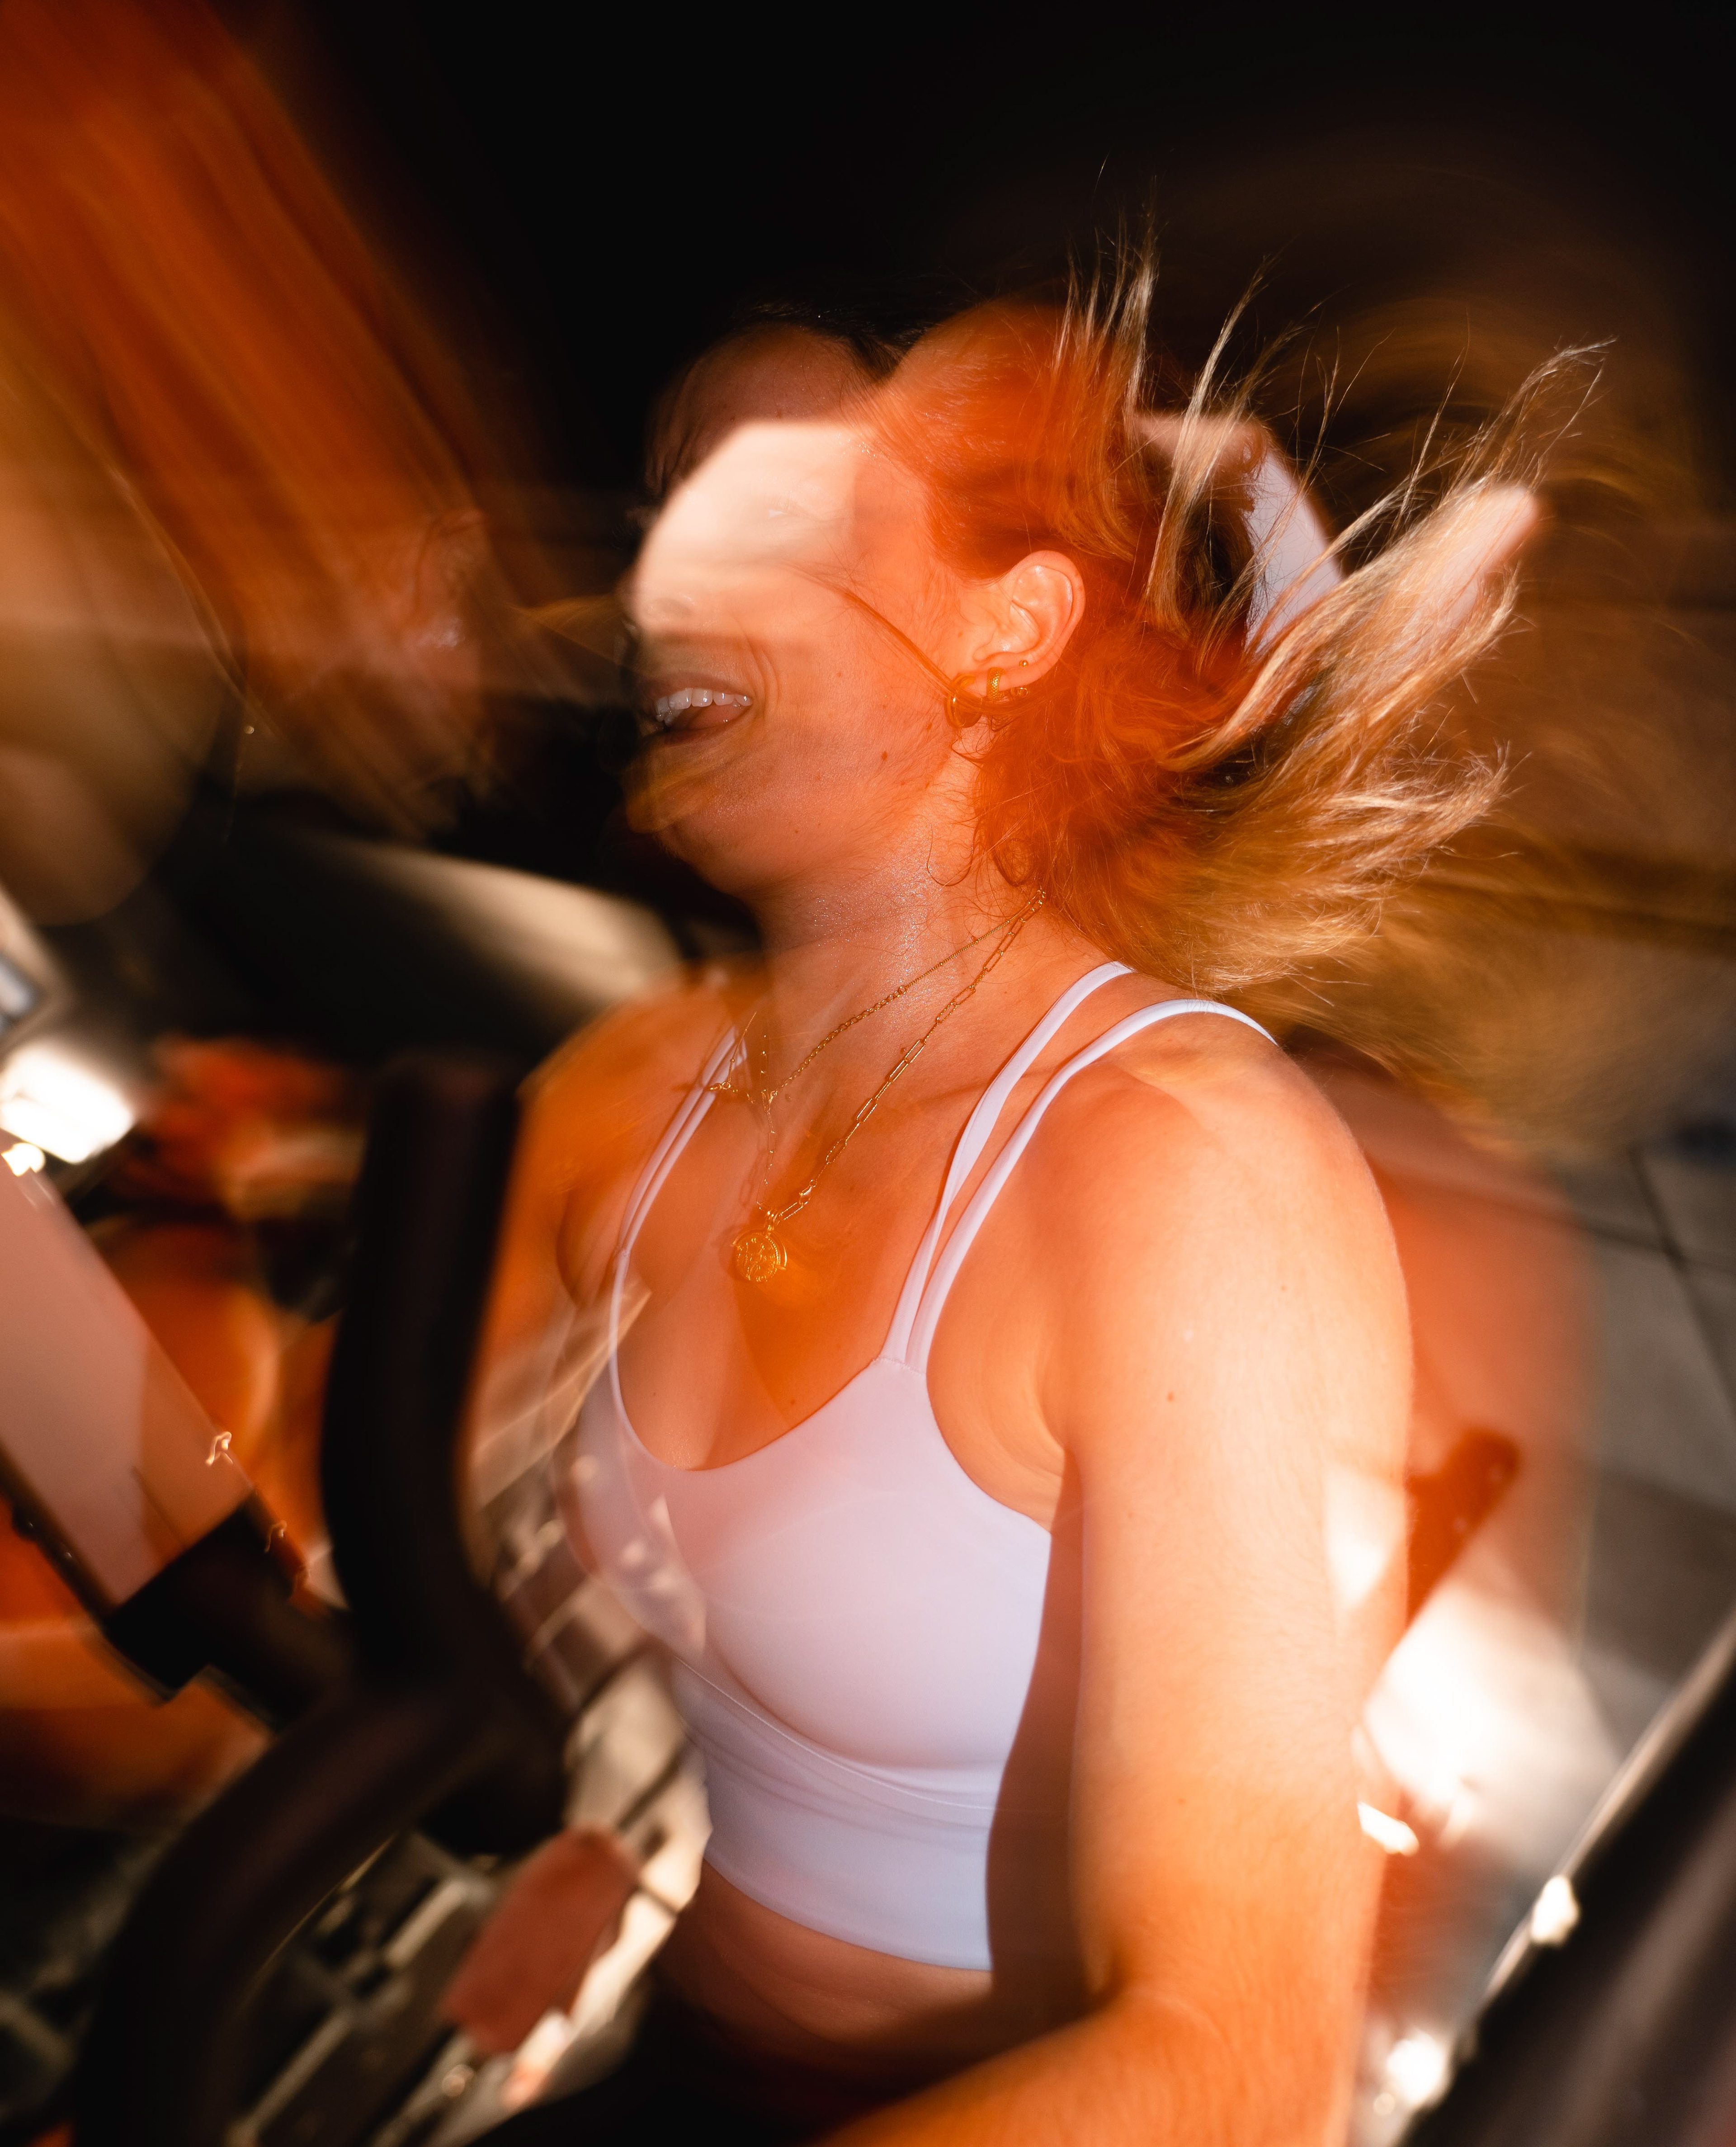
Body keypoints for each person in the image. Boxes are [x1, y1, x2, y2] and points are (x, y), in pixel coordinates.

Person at [472, 262, 1549, 2143]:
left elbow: (1234, 2068)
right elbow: (352, 1557)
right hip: (681, 2044)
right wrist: (589, 1828)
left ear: (1009, 629)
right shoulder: (626, 1094)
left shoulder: (1176, 1173)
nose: (672, 592)